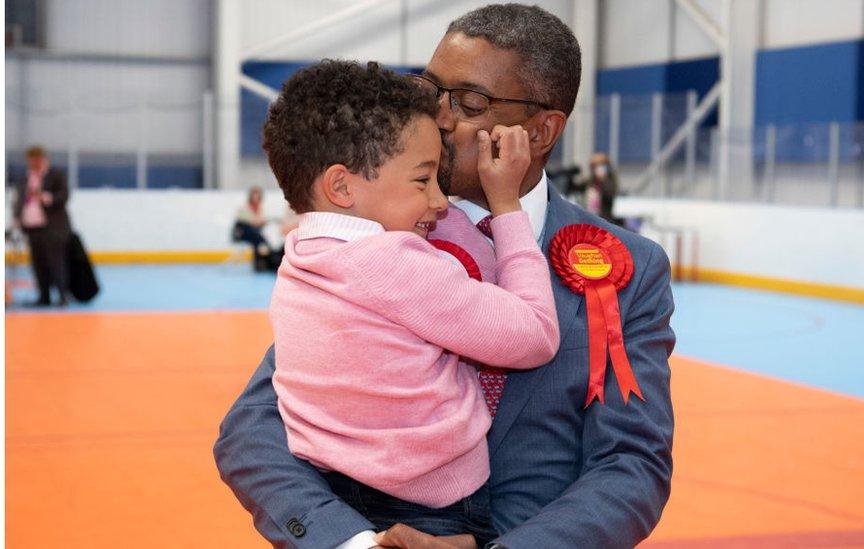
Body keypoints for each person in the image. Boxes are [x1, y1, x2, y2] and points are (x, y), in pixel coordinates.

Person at [215, 4, 676, 549]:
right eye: (432, 91)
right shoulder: (380, 230)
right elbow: (255, 427)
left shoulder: (627, 267)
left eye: (470, 103)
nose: (440, 117)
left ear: (542, 129)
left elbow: (630, 464)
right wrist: (356, 542)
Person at [264, 60, 559, 546]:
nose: (440, 202)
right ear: (341, 187)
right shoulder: (391, 260)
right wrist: (506, 206)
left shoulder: (302, 255)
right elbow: (534, 335)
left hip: (333, 491)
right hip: (433, 508)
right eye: (423, 181)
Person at [12, 146, 72, 307]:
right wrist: (17, 218)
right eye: (31, 160)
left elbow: (64, 195)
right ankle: (43, 296)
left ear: (44, 159)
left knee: (56, 262)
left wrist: (46, 197)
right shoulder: (25, 178)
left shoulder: (55, 175)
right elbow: (20, 200)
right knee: (38, 263)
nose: (34, 163)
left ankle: (62, 295)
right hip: (32, 227)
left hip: (53, 227)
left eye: (37, 160)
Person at [232, 185, 274, 271]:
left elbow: (258, 223)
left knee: (256, 240)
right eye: (254, 194)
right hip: (241, 233)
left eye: (257, 194)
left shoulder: (260, 208)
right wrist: (257, 222)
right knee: (257, 237)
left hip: (253, 234)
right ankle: (268, 257)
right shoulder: (244, 207)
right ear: (251, 196)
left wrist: (260, 222)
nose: (255, 197)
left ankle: (259, 264)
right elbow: (248, 221)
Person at [584, 152, 622, 225]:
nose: (598, 169)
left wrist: (603, 180)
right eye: (595, 166)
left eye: (601, 165)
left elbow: (610, 194)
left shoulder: (609, 181)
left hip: (603, 221)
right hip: (589, 220)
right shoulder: (590, 182)